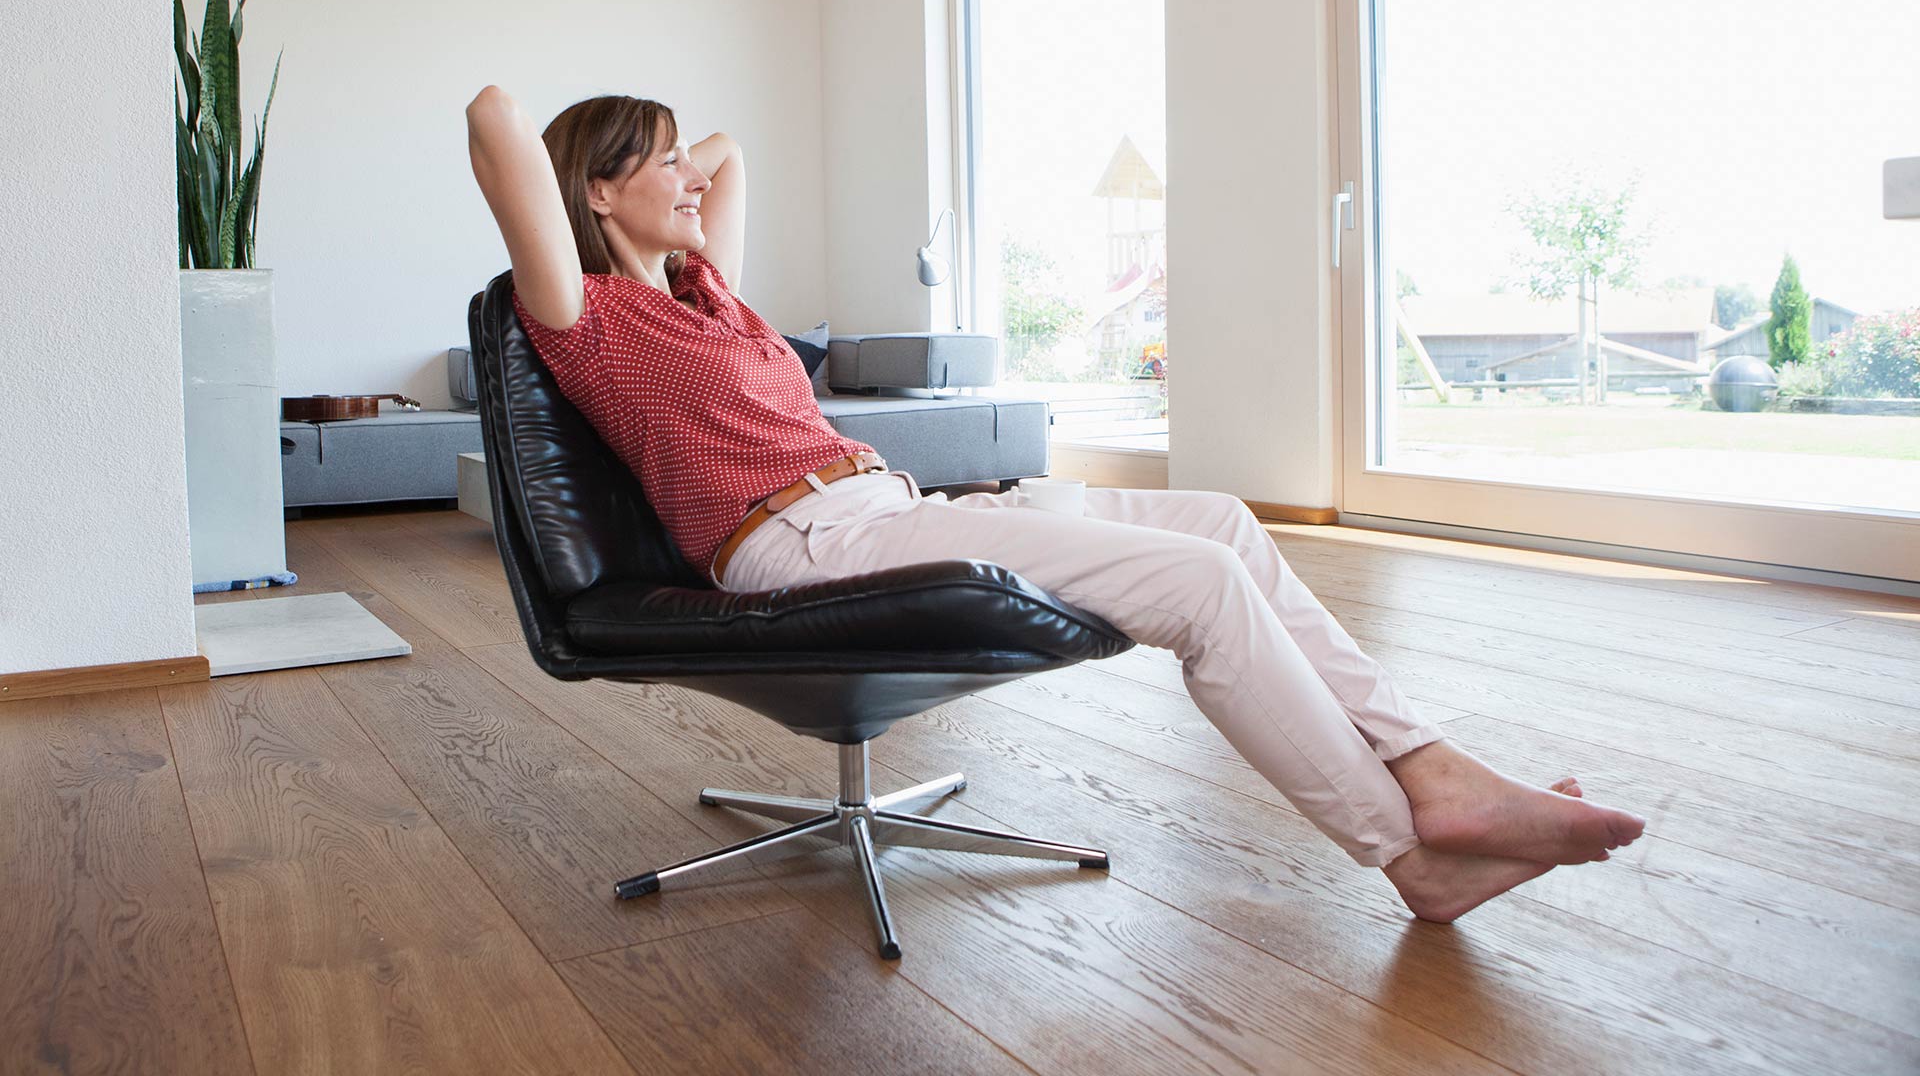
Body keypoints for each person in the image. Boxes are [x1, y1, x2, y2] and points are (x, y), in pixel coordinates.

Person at [465, 85, 1646, 923]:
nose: (692, 178)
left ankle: (1428, 765)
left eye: (682, 160)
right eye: (660, 163)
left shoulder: (708, 292)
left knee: (1224, 521)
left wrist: (663, 162)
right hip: (798, 539)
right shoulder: (585, 320)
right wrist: (611, 164)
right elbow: (494, 118)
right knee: (1200, 585)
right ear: (599, 189)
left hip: (882, 505)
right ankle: (1410, 852)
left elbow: (732, 156)